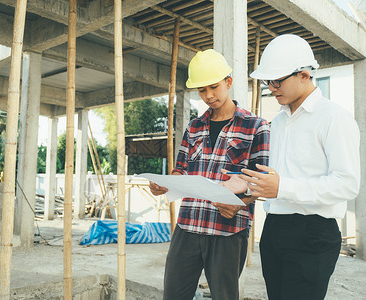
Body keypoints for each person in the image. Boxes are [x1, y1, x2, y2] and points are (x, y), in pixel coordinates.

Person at [240, 34, 361, 300]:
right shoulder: (280, 121)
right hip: (274, 229)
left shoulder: (334, 119)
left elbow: (347, 183)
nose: (272, 87)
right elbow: (277, 177)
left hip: (313, 234)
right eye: (268, 81)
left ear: (304, 75)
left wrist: (283, 187)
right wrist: (248, 187)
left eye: (277, 80)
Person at [149, 49, 270, 300]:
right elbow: (181, 169)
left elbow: (259, 182)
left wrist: (239, 205)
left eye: (213, 87)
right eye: (202, 90)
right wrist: (165, 184)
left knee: (224, 296)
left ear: (229, 82)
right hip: (188, 224)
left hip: (228, 230)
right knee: (173, 294)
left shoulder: (256, 126)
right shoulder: (194, 127)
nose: (208, 96)